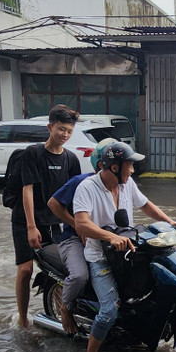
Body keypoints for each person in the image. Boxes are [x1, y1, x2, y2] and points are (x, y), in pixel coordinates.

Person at [72, 142, 176, 352]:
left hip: (127, 252)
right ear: (114, 167)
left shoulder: (127, 184)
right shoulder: (87, 188)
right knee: (109, 311)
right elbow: (81, 224)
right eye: (129, 165)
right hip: (100, 257)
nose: (132, 170)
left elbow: (145, 205)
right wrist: (110, 236)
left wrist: (169, 221)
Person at [12, 104, 81, 329]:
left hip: (55, 223)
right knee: (25, 270)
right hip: (26, 220)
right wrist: (32, 227)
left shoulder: (71, 159)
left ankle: (63, 310)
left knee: (62, 270)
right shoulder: (33, 153)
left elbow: (74, 196)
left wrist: (80, 225)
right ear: (50, 127)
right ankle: (23, 319)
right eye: (61, 129)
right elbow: (27, 189)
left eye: (69, 131)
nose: (64, 135)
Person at [46, 138, 117, 334]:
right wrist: (76, 224)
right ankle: (66, 308)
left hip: (100, 240)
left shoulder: (120, 185)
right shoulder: (81, 182)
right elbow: (53, 204)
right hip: (73, 240)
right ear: (103, 164)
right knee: (79, 275)